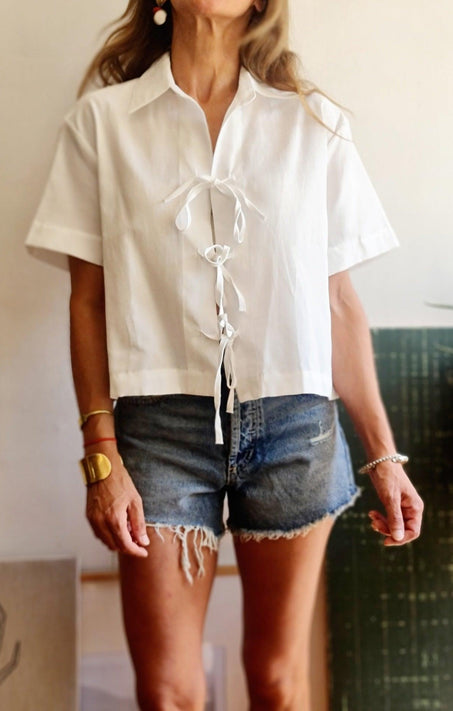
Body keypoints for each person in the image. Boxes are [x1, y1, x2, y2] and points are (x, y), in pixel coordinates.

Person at [25, 0, 424, 708]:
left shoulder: (314, 124)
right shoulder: (102, 124)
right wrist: (100, 455)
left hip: (295, 428)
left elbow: (338, 303)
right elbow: (88, 301)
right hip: (158, 434)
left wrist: (384, 456)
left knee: (277, 680)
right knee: (167, 691)